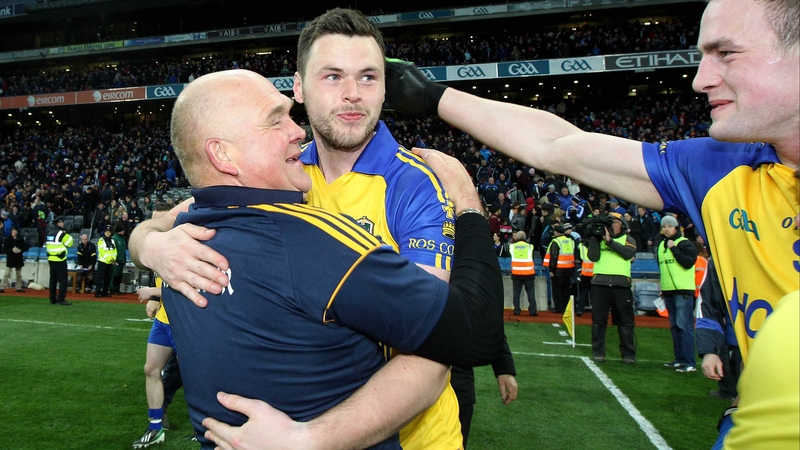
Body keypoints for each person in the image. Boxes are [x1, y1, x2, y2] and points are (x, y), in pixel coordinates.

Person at [383, 0, 798, 442]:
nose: (700, 79)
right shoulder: (719, 169)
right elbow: (559, 144)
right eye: (702, 56)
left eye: (727, 53)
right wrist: (433, 95)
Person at [156, 68, 504, 450]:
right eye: (275, 121)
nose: (297, 131)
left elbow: (152, 230)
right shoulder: (311, 243)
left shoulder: (178, 244)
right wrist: (468, 206)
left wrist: (145, 245)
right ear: (222, 154)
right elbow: (475, 332)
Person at [133, 203, 180, 448]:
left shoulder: (185, 245)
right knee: (151, 369)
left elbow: (189, 286)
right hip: (164, 320)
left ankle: (207, 426)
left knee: (199, 378)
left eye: (159, 221)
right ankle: (155, 428)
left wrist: (153, 292)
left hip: (186, 324)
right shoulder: (157, 250)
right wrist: (155, 298)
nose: (155, 227)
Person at [586, 213, 637, 363]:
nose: (611, 225)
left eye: (614, 222)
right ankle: (598, 352)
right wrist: (595, 239)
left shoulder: (629, 239)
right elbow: (593, 257)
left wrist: (609, 242)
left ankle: (628, 354)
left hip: (621, 285)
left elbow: (628, 253)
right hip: (599, 284)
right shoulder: (598, 239)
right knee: (598, 320)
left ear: (621, 224)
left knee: (625, 321)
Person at [657, 215, 699, 373]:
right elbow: (663, 268)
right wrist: (663, 286)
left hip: (682, 290)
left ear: (676, 228)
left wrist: (674, 248)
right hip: (669, 289)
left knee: (684, 326)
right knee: (675, 327)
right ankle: (679, 359)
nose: (666, 229)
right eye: (664, 226)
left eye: (669, 226)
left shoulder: (685, 243)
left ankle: (689, 361)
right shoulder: (661, 245)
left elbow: (688, 263)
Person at [543, 224, 577, 314]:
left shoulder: (556, 241)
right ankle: (566, 308)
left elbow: (554, 257)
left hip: (558, 270)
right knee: (566, 290)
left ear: (557, 232)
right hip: (569, 269)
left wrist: (551, 270)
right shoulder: (570, 241)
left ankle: (559, 308)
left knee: (557, 290)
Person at [45, 216, 73, 306]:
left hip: (51, 259)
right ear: (59, 223)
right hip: (60, 259)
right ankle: (61, 299)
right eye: (62, 222)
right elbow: (70, 243)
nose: (63, 224)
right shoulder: (62, 234)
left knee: (53, 279)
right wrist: (67, 233)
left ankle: (52, 298)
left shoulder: (49, 233)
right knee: (62, 280)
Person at [509, 230, 536, 316]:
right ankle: (532, 311)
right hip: (529, 273)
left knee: (516, 293)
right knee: (531, 293)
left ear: (517, 237)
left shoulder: (512, 246)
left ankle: (517, 310)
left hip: (516, 273)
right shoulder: (530, 246)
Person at [1, 227, 27, 292]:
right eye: (13, 231)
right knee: (6, 273)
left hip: (18, 257)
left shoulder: (20, 238)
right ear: (11, 232)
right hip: (10, 258)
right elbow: (4, 249)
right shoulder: (7, 239)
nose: (14, 232)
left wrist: (20, 250)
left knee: (18, 274)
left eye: (15, 230)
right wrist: (11, 250)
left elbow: (25, 247)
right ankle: (2, 287)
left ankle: (18, 287)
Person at [94, 225, 116, 298]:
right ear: (104, 232)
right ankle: (98, 292)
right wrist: (109, 258)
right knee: (100, 277)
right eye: (106, 232)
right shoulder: (101, 240)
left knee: (108, 278)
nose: (108, 233)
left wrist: (113, 258)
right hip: (102, 261)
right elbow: (102, 251)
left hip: (110, 262)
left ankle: (105, 291)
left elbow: (115, 251)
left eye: (109, 232)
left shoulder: (112, 241)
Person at [110, 222, 127, 294]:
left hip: (121, 261)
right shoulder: (114, 238)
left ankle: (117, 288)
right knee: (115, 275)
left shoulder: (121, 239)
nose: (124, 231)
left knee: (119, 276)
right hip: (116, 261)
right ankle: (112, 288)